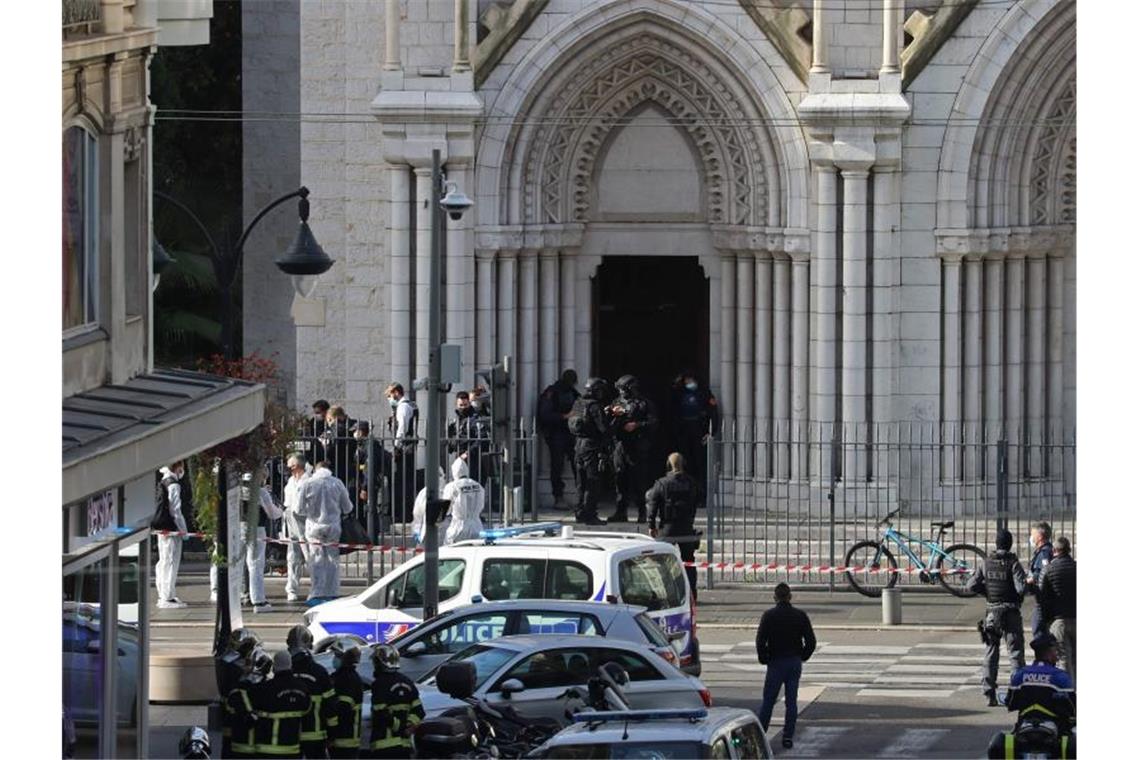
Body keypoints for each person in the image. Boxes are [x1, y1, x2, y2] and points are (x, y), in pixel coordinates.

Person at [986, 633, 1075, 759]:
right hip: (1053, 731)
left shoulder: (1020, 674)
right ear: (1049, 653)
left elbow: (1011, 703)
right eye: (1055, 650)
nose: (1057, 655)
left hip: (1025, 729)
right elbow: (1072, 707)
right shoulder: (1060, 677)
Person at [968, 528, 1028, 707]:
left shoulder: (986, 562)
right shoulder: (1013, 563)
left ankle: (989, 693)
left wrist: (986, 592)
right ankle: (1017, 693)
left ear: (996, 543)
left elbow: (971, 585)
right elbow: (1021, 589)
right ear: (1010, 544)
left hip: (992, 614)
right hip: (1010, 613)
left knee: (991, 653)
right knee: (1015, 654)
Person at [755, 583, 816, 750]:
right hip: (793, 661)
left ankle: (761, 735)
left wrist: (764, 658)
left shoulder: (768, 616)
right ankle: (788, 736)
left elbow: (760, 641)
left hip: (775, 662)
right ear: (790, 597)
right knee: (791, 701)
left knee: (768, 701)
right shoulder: (800, 615)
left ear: (775, 598)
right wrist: (803, 656)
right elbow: (811, 641)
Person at [646, 453, 701, 601]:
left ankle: (665, 595)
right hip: (686, 528)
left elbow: (652, 505)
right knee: (689, 561)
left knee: (662, 562)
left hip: (668, 528)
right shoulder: (691, 482)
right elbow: (696, 501)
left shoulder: (662, 483)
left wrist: (651, 525)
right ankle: (692, 595)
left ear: (669, 465)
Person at [297, 461, 355, 601]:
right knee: (332, 560)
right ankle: (332, 591)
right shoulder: (337, 483)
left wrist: (312, 512)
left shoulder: (308, 484)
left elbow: (299, 509)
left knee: (316, 560)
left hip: (314, 527)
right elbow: (348, 507)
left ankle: (317, 591)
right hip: (333, 526)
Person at [607, 375, 659, 523]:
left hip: (638, 445)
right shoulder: (617, 403)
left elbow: (654, 422)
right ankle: (620, 511)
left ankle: (642, 512)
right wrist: (612, 415)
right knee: (620, 479)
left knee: (640, 481)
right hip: (620, 446)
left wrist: (636, 425)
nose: (621, 392)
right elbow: (608, 424)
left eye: (623, 389)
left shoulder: (644, 404)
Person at [567, 377, 614, 526]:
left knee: (581, 483)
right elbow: (604, 429)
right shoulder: (594, 406)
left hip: (578, 446)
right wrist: (613, 418)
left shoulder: (578, 403)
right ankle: (590, 515)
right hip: (591, 448)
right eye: (600, 390)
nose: (602, 393)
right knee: (593, 482)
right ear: (595, 391)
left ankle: (580, 513)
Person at [670, 372, 720, 507]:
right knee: (685, 464)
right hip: (684, 432)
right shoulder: (679, 393)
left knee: (700, 465)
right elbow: (673, 410)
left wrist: (710, 432)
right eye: (686, 380)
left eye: (690, 379)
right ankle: (685, 495)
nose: (688, 382)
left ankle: (701, 496)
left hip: (699, 431)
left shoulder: (704, 393)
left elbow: (713, 413)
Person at [252, 650, 313, 759]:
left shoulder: (266, 688)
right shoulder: (302, 687)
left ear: (274, 667)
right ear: (291, 665)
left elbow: (252, 708)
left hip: (267, 749)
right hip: (292, 749)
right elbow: (307, 709)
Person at [287, 625, 337, 759]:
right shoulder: (319, 672)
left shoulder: (285, 673)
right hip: (316, 736)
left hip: (290, 736)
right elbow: (330, 706)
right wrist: (332, 734)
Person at [367, 644, 424, 758]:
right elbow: (419, 711)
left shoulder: (379, 684)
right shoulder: (407, 682)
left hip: (384, 746)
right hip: (404, 746)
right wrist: (409, 725)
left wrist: (399, 727)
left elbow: (380, 712)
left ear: (379, 663)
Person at [537, 369, 580, 508]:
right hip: (556, 433)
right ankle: (558, 496)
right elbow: (545, 415)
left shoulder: (573, 393)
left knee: (579, 464)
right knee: (557, 465)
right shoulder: (552, 392)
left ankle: (582, 495)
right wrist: (564, 416)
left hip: (571, 433)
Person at [241, 468, 280, 613]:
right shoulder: (261, 491)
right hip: (256, 528)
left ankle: (241, 595)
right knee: (256, 564)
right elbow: (272, 513)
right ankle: (258, 600)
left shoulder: (238, 488)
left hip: (238, 528)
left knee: (239, 564)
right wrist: (282, 510)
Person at [219, 629, 262, 757]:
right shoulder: (235, 667)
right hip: (238, 712)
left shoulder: (226, 662)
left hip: (229, 713)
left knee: (227, 746)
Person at [1040, 536, 1076, 684]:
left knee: (1063, 658)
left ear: (1054, 551)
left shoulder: (1048, 569)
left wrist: (1045, 621)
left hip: (1058, 620)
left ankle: (1067, 692)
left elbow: (1042, 597)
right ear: (1069, 550)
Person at [154, 461, 189, 609]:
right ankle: (167, 598)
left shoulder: (163, 480)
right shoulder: (174, 485)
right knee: (171, 562)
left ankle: (165, 594)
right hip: (172, 529)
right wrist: (184, 530)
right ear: (178, 468)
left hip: (161, 527)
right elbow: (176, 511)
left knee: (163, 561)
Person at [226, 647, 271, 759]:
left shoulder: (237, 690)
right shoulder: (269, 689)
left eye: (248, 663)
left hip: (240, 747)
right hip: (261, 748)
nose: (244, 667)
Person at [350, 421, 391, 540]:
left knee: (370, 510)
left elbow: (370, 468)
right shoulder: (364, 444)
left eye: (355, 431)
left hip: (370, 483)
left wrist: (365, 487)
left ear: (361, 431)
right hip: (365, 482)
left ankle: (372, 538)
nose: (354, 433)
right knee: (367, 510)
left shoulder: (370, 445)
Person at [386, 383, 418, 524]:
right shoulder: (409, 405)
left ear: (396, 393)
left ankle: (403, 515)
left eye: (389, 395)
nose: (389, 399)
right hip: (407, 447)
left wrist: (396, 446)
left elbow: (402, 428)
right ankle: (403, 513)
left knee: (402, 481)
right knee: (405, 481)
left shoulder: (403, 407)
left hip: (404, 448)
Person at [327, 640, 364, 758]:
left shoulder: (349, 680)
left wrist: (331, 733)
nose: (334, 659)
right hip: (338, 740)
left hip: (345, 741)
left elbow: (343, 709)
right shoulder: (339, 677)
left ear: (346, 658)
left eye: (338, 656)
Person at [284, 454, 313, 602]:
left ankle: (316, 588)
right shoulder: (290, 480)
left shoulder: (308, 481)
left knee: (309, 555)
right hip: (291, 518)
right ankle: (292, 588)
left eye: (292, 465)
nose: (289, 468)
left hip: (304, 520)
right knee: (293, 556)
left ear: (299, 466)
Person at [447, 391, 491, 485]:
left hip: (473, 459)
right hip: (459, 457)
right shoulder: (457, 419)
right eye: (460, 405)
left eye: (465, 405)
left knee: (472, 486)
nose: (463, 407)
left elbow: (482, 439)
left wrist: (468, 453)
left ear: (469, 403)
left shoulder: (475, 418)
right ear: (456, 404)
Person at [442, 456, 485, 545]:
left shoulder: (452, 486)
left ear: (454, 472)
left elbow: (446, 509)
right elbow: (481, 505)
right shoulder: (478, 485)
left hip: (458, 526)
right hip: (476, 525)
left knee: (450, 551)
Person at [1026, 522, 1054, 640]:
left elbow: (1044, 571)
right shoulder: (1043, 551)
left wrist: (1031, 579)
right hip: (1044, 599)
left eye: (1033, 534)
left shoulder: (1044, 553)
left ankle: (1043, 656)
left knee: (1038, 631)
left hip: (1044, 599)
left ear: (1040, 537)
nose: (1031, 537)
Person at [322, 405, 357, 486]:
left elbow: (330, 450)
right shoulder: (353, 426)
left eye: (328, 420)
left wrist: (325, 447)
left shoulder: (334, 430)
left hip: (336, 465)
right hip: (350, 464)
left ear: (331, 418)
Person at [307, 399, 331, 465]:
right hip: (314, 452)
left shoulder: (330, 422)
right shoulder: (312, 422)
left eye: (318, 412)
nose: (316, 415)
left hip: (327, 453)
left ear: (326, 411)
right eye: (315, 413)